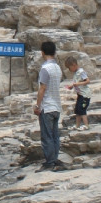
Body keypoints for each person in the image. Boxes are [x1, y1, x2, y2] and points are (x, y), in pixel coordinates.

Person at [33, 41, 64, 171]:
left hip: (47, 106)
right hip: (57, 105)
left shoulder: (45, 69)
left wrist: (37, 105)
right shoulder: (58, 68)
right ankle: (55, 158)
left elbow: (42, 88)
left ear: (42, 52)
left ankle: (49, 161)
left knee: (47, 136)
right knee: (55, 135)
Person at [64, 55, 92, 130]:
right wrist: (71, 86)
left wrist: (78, 84)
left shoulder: (81, 72)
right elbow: (76, 82)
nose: (69, 70)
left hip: (85, 95)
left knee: (82, 109)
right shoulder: (76, 73)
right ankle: (77, 125)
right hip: (80, 95)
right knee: (77, 110)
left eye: (69, 68)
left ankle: (86, 125)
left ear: (74, 65)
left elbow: (87, 81)